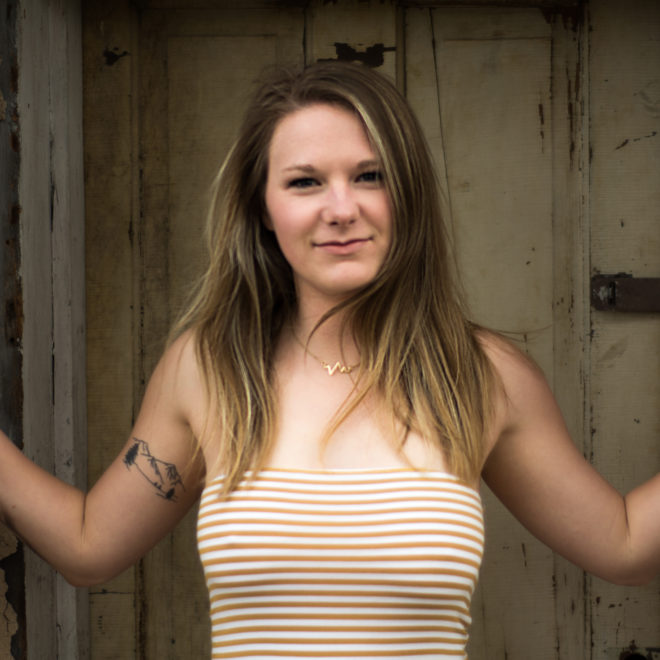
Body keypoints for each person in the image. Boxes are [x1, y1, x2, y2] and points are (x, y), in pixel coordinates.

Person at [1, 61, 658, 659]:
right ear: (264, 207)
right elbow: (90, 547)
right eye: (305, 182)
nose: (342, 209)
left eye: (369, 175)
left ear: (409, 192)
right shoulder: (208, 369)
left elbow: (624, 543)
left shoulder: (480, 375)